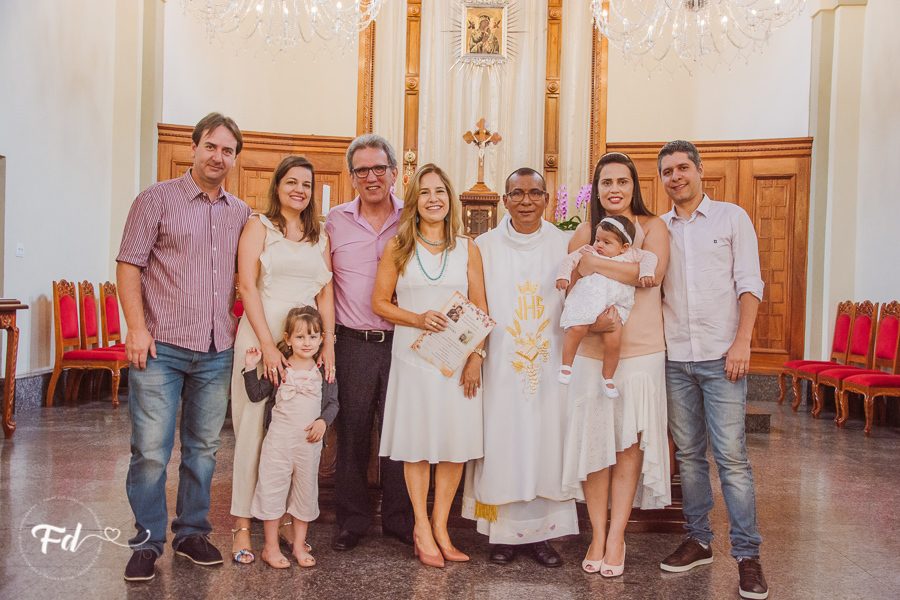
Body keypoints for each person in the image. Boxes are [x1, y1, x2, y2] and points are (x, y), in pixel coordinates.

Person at [117, 112, 251, 582]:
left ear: (235, 157)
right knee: (151, 450)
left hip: (217, 349)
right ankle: (146, 543)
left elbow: (250, 279)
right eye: (211, 146)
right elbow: (129, 265)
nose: (219, 157)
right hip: (161, 347)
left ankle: (192, 532)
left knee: (204, 449)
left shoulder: (240, 213)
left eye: (228, 150)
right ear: (194, 147)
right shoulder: (155, 199)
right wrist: (136, 328)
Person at [657, 140, 767, 600]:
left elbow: (750, 282)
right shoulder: (657, 229)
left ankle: (747, 555)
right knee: (688, 457)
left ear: (700, 171)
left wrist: (742, 342)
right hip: (675, 357)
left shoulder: (731, 218)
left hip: (723, 356)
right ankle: (699, 540)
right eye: (667, 171)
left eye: (683, 167)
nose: (675, 176)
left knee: (733, 459)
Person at [561, 152, 671, 578]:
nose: (615, 190)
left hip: (641, 351)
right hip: (592, 350)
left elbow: (652, 275)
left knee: (627, 448)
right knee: (596, 447)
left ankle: (616, 538)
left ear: (634, 186)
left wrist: (595, 263)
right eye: (606, 182)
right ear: (597, 188)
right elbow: (569, 289)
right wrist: (587, 284)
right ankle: (596, 533)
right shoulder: (585, 230)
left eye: (622, 181)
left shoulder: (654, 227)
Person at [373, 164, 487, 568]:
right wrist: (418, 318)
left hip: (456, 363)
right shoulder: (398, 247)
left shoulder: (467, 248)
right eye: (425, 192)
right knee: (418, 444)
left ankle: (442, 526)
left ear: (450, 198)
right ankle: (421, 525)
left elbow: (480, 309)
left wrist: (476, 357)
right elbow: (380, 304)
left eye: (440, 190)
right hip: (413, 358)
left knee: (454, 444)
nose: (434, 198)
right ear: (414, 201)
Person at [461, 167, 577, 568]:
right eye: (517, 194)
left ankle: (543, 538)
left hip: (550, 364)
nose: (526, 201)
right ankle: (501, 535)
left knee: (546, 445)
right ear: (505, 200)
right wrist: (476, 354)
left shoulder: (566, 244)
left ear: (546, 199)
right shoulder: (484, 246)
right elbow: (476, 306)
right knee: (502, 445)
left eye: (534, 193)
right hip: (500, 366)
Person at [229, 155, 335, 565]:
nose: (299, 190)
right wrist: (269, 346)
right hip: (262, 338)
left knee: (294, 433)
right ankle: (241, 525)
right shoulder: (259, 226)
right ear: (277, 186)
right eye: (291, 182)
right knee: (254, 432)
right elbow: (247, 286)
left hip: (306, 342)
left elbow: (325, 293)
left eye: (306, 184)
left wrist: (328, 344)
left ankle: (291, 526)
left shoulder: (318, 235)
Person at [325, 134, 415, 551]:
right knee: (353, 433)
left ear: (394, 173)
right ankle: (352, 520)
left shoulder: (414, 217)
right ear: (351, 177)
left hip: (404, 342)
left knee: (400, 431)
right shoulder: (334, 221)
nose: (371, 176)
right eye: (362, 170)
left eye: (379, 168)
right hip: (353, 342)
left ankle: (400, 520)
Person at [242, 306, 338, 569]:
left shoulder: (323, 370)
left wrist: (322, 421)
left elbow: (333, 404)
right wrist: (250, 368)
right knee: (272, 491)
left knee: (305, 493)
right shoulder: (280, 367)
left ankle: (298, 545)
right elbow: (255, 394)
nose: (306, 343)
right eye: (299, 337)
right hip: (278, 443)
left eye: (312, 336)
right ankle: (270, 547)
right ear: (287, 339)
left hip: (308, 446)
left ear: (321, 340)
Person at [556, 215, 658, 396]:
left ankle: (607, 378)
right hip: (588, 300)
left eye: (606, 242)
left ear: (624, 246)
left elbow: (650, 257)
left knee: (614, 341)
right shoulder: (589, 250)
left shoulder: (630, 254)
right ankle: (566, 366)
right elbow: (569, 260)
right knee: (577, 329)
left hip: (615, 306)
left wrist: (646, 272)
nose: (599, 245)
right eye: (597, 239)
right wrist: (563, 276)